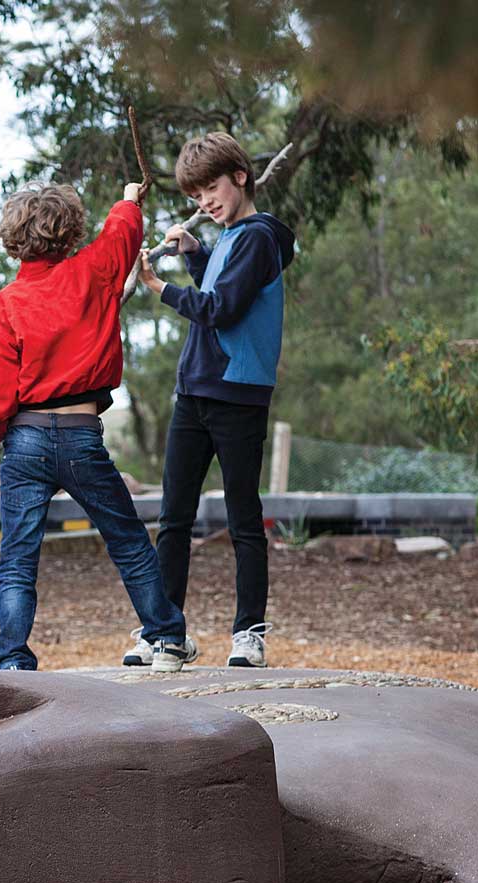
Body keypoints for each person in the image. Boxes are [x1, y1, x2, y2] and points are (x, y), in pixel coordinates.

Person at [0, 178, 193, 672]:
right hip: (79, 435)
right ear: (71, 233)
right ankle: (166, 635)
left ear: (12, 240)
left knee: (18, 558)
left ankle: (11, 658)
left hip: (23, 440)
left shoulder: (6, 304)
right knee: (128, 540)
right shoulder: (93, 272)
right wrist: (130, 200)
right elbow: (121, 236)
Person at [132, 131, 297, 668]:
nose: (205, 201)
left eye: (212, 187)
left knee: (243, 519)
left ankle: (249, 632)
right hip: (194, 391)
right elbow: (220, 286)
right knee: (174, 518)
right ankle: (166, 632)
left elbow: (222, 309)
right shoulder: (228, 238)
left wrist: (158, 286)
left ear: (241, 177)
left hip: (238, 395)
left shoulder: (258, 236)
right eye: (196, 194)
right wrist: (195, 253)